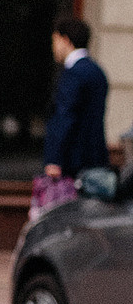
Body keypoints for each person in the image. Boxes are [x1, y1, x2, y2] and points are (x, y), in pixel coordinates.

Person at [43, 17, 110, 181]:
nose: (53, 47)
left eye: (55, 41)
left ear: (65, 40)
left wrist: (54, 159)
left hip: (72, 164)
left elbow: (65, 116)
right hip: (95, 160)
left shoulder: (73, 73)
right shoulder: (97, 72)